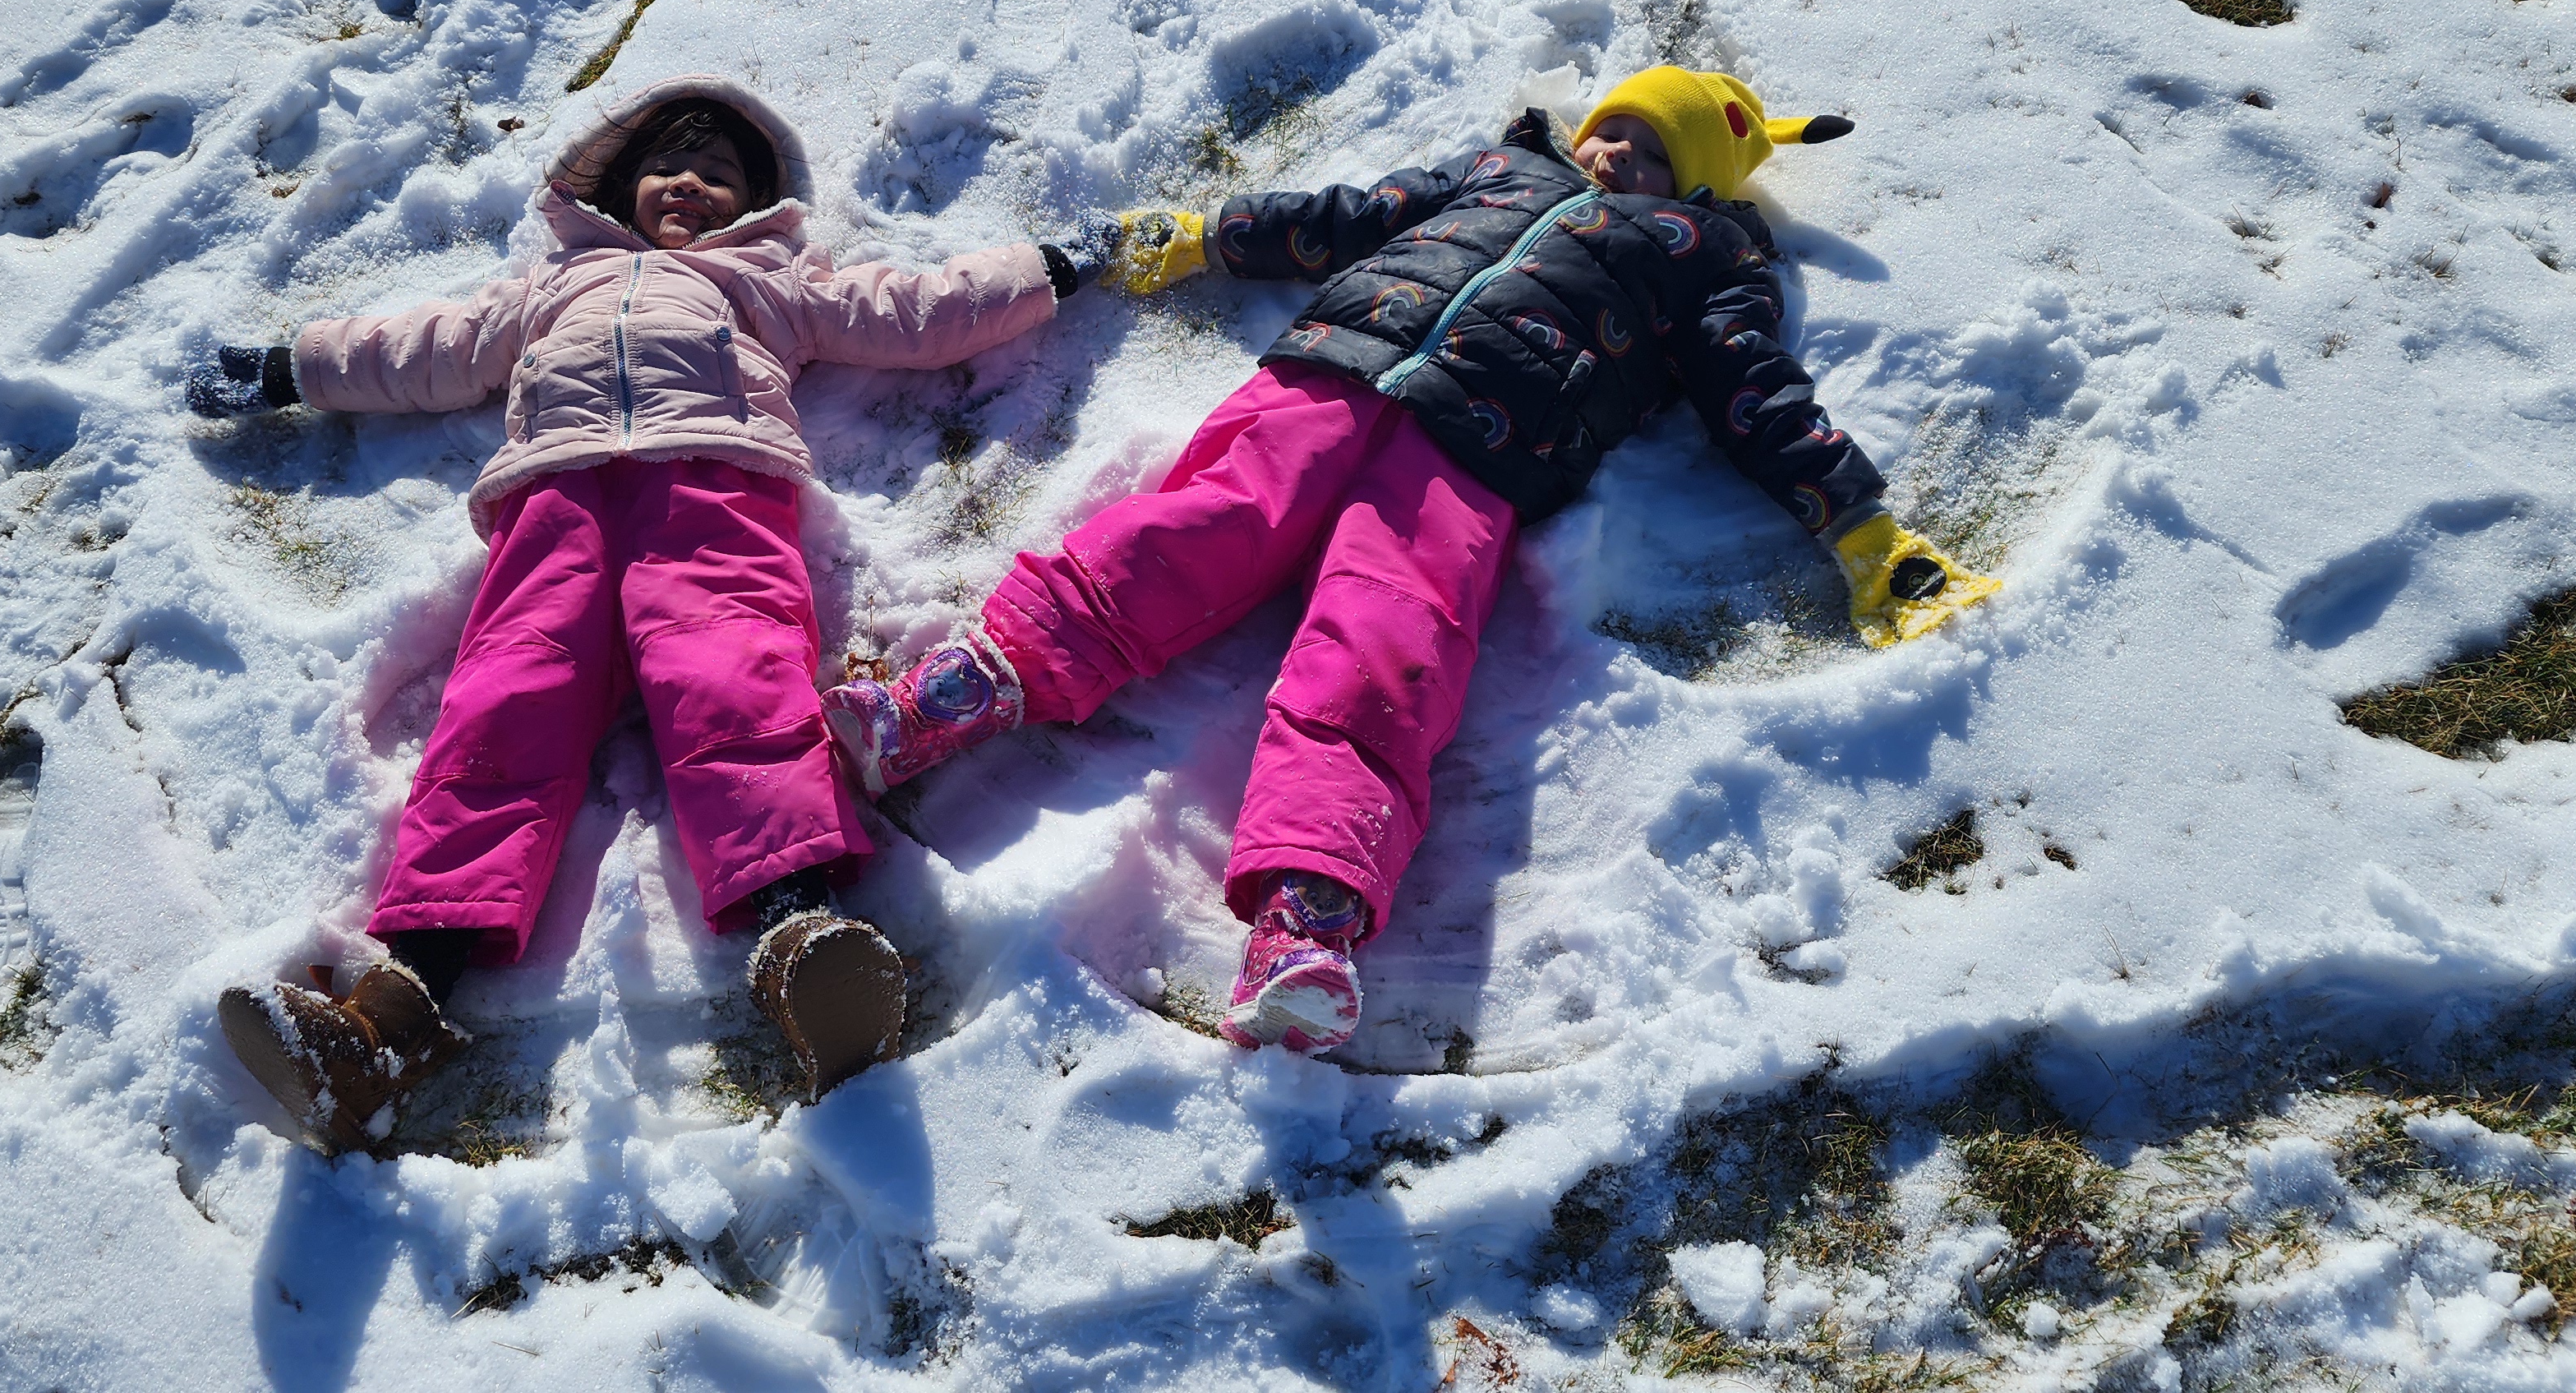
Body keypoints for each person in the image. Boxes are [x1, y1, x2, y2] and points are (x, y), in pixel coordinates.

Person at [822, 65, 1997, 1056]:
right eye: (1610, 131)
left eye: (1648, 154)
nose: (1612, 157)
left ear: (1692, 186)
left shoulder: (1700, 256)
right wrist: (1197, 237)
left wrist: (1860, 529)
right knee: (1185, 533)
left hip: (1477, 455)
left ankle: (1308, 916)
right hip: (1324, 379)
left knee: (1389, 645)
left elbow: (1758, 392)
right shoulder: (1499, 171)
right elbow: (1339, 217)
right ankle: (952, 696)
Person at [188, 76, 1109, 1153]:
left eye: (724, 176)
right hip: (557, 503)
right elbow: (420, 350)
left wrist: (1045, 269)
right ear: (620, 189)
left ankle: (802, 940)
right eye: (673, 167)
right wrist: (286, 367)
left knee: (737, 686)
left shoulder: (772, 284)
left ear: (756, 207)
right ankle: (385, 1028)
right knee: (499, 717)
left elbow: (914, 313)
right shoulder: (550, 288)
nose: (695, 186)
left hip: (714, 492)